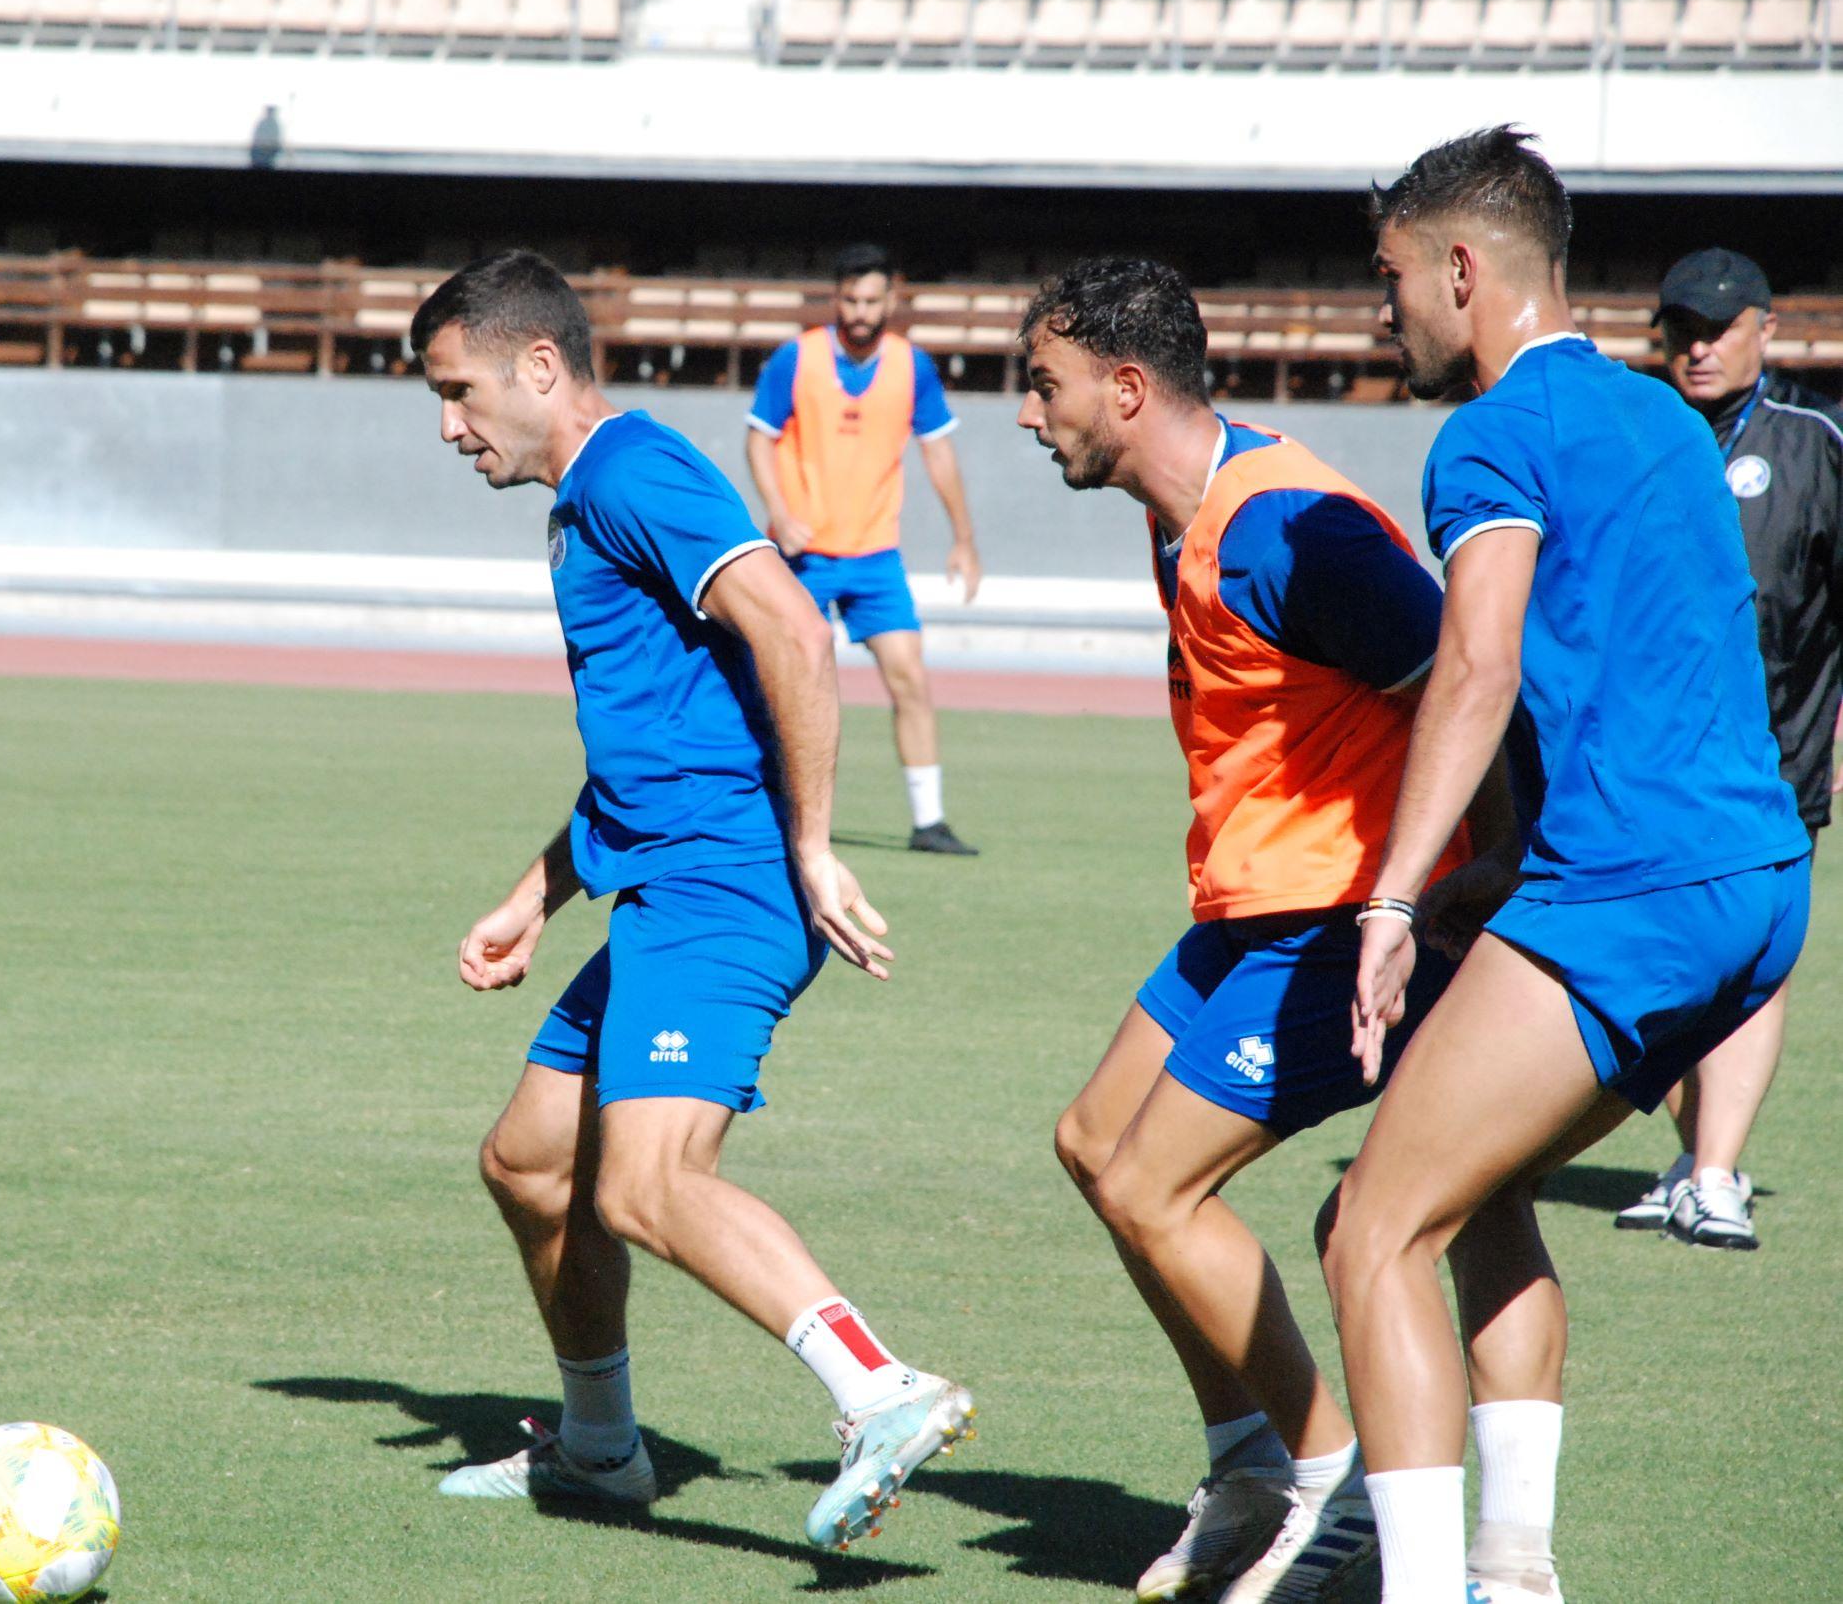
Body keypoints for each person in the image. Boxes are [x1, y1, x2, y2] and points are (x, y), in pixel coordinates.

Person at [410, 251, 977, 1552]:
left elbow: (789, 621)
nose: (449, 427)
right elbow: (654, 743)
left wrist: (818, 845)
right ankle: (602, 1450)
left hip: (722, 889)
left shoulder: (633, 471)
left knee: (649, 1182)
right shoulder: (589, 500)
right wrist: (535, 894)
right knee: (532, 1163)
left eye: (457, 393)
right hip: (659, 884)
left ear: (536, 368)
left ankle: (880, 1390)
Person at [1323, 128, 1811, 1604]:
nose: (1383, 311)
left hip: (1633, 895)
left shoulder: (1486, 436)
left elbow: (1474, 664)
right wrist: (1499, 875)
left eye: (1394, 278)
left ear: (1464, 272)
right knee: (1474, 1195)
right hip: (1762, 890)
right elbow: (1658, 666)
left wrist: (1400, 894)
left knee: (1372, 1226)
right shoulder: (1668, 418)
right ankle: (1513, 1572)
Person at [1025, 257, 1514, 1604]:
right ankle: (1249, 1463)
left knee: (1151, 1185)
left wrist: (1479, 877)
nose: (1026, 413)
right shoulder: (1178, 508)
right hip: (1253, 907)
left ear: (1125, 391)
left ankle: (1336, 1477)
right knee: (1091, 1142)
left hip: (1344, 919)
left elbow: (1476, 686)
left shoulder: (1288, 526)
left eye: (1043, 384)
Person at [1610, 247, 1843, 1249]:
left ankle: (1711, 1176)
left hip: (1773, 756)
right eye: (1679, 327)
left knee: (1747, 960)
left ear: (1765, 329)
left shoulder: (1812, 440)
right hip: (1640, 756)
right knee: (1645, 963)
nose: (1695, 345)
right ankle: (1699, 1149)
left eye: (1715, 326)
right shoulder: (1634, 433)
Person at [745, 243, 984, 856]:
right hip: (803, 558)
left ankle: (929, 821)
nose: (860, 310)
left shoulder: (914, 368)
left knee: (909, 677)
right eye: (850, 299)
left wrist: (963, 539)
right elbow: (759, 440)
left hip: (876, 557)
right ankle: (774, 813)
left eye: (872, 300)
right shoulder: (795, 359)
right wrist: (778, 511)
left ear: (892, 300)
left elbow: (939, 451)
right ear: (836, 299)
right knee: (789, 687)